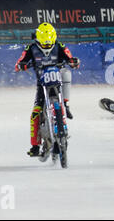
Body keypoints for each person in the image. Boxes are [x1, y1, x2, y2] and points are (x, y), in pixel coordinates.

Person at [15, 23, 80, 157]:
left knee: (67, 73)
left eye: (49, 44)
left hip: (57, 81)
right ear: (38, 40)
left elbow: (70, 58)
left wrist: (73, 62)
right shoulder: (30, 48)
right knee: (35, 114)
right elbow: (18, 63)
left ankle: (65, 104)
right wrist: (22, 65)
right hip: (42, 84)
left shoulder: (59, 46)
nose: (47, 47)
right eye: (44, 44)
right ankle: (35, 146)